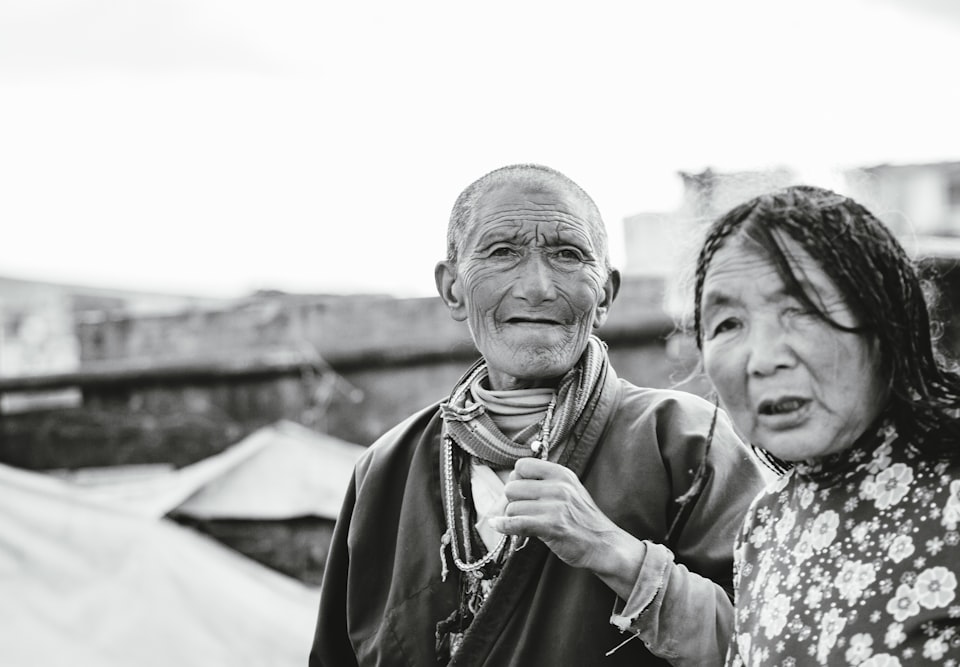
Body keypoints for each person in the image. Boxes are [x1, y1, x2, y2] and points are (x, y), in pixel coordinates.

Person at [310, 164, 767, 666]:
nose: (538, 287)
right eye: (502, 252)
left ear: (606, 294)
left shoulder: (683, 439)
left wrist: (614, 551)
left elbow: (773, 643)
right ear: (452, 289)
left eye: (568, 255)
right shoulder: (386, 468)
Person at [693, 185, 960, 666]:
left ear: (887, 323)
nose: (763, 359)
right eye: (728, 323)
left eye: (803, 309)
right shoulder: (765, 521)